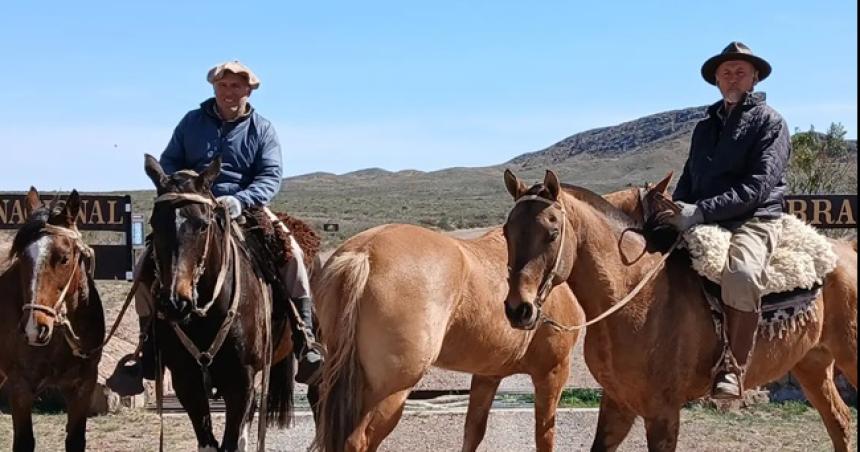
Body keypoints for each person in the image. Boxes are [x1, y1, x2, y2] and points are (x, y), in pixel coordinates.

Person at [136, 60, 323, 385]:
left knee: (291, 254)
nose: (229, 92)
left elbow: (270, 175)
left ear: (248, 90)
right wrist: (185, 186)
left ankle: (304, 337)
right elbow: (169, 163)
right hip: (194, 206)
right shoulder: (191, 123)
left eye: (236, 86)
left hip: (245, 208)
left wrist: (242, 199)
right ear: (214, 88)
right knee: (145, 262)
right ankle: (147, 344)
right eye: (223, 86)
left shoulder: (261, 129)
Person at [654, 42, 791, 399]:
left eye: (740, 71)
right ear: (716, 79)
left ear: (754, 77)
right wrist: (672, 209)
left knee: (742, 274)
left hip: (754, 219)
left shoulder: (771, 122)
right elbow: (689, 178)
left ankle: (734, 367)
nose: (733, 77)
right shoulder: (704, 128)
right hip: (705, 216)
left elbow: (757, 188)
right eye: (726, 72)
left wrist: (700, 212)